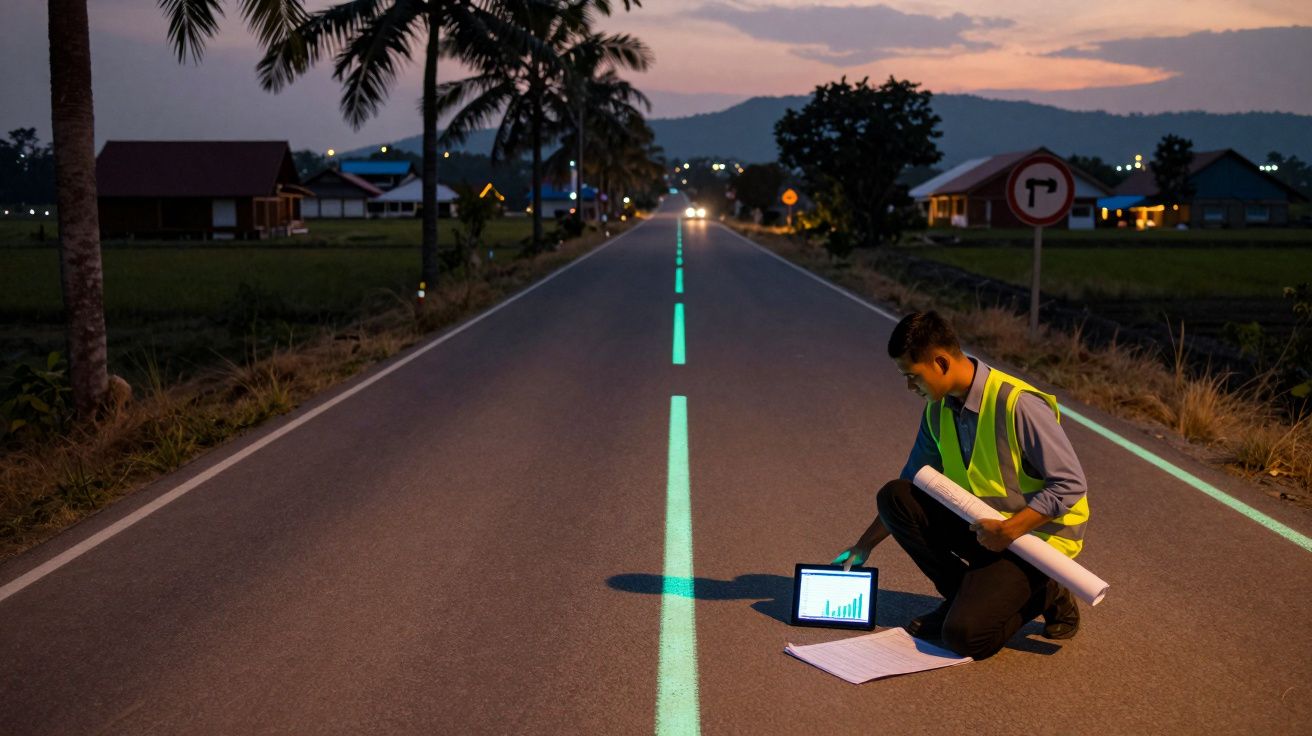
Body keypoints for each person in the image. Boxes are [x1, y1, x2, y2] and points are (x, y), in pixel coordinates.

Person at [834, 311, 1088, 660]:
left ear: (939, 362)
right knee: (894, 497)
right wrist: (864, 546)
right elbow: (912, 481)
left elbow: (1070, 484)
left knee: (964, 637)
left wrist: (1009, 531)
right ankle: (962, 598)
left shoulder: (1018, 404)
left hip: (1036, 541)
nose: (911, 388)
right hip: (986, 528)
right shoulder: (938, 410)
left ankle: (1046, 591)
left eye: (913, 377)